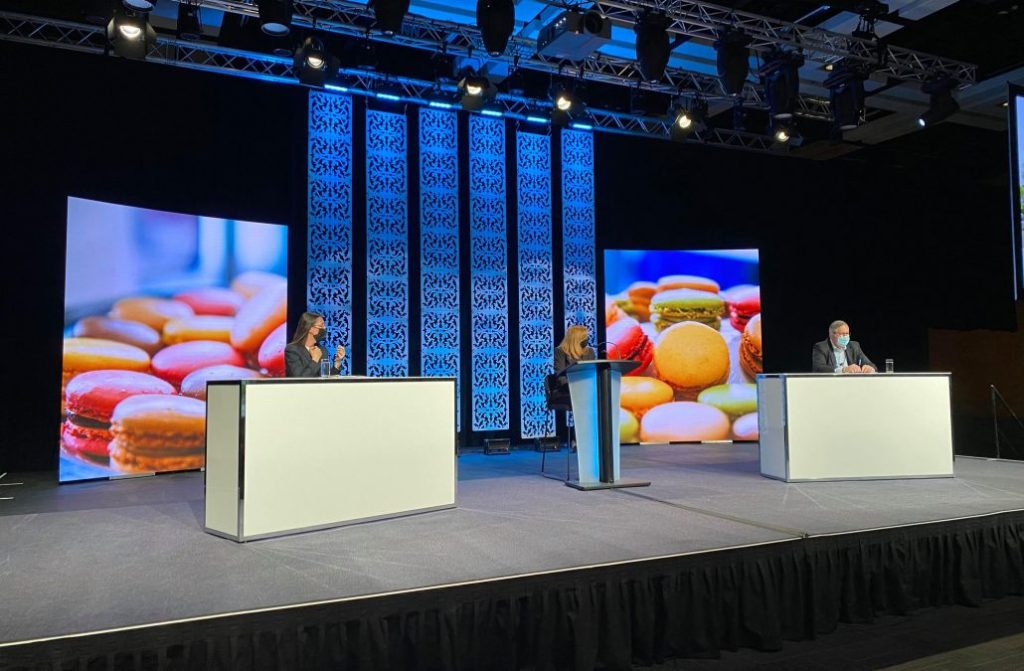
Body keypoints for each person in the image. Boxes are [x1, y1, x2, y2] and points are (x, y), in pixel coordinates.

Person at [284, 311, 346, 378]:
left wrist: (337, 362)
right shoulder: (292, 350)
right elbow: (299, 378)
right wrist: (315, 359)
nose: (324, 328)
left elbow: (327, 378)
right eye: (321, 325)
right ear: (310, 328)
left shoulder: (322, 350)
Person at [812, 320, 876, 374]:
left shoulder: (854, 346)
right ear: (831, 335)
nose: (845, 337)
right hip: (831, 383)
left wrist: (870, 368)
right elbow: (818, 368)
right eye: (842, 334)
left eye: (847, 334)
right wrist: (843, 370)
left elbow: (871, 364)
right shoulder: (821, 347)